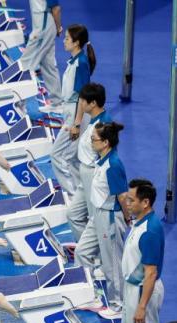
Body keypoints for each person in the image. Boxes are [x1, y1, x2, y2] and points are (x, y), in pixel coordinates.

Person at [118, 180, 165, 323]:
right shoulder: (140, 222)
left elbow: (151, 272)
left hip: (142, 291)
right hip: (132, 288)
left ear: (145, 202)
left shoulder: (150, 231)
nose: (126, 202)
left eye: (131, 199)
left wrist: (142, 306)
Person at [74, 121, 128, 320]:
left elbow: (122, 196)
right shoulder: (102, 160)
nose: (90, 142)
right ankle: (90, 296)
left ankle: (118, 305)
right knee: (81, 252)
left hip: (109, 217)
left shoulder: (113, 165)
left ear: (105, 143)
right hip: (97, 214)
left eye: (93, 139)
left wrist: (127, 218)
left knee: (111, 263)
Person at [49, 24, 96, 199]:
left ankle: (73, 193)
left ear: (76, 43)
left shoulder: (80, 63)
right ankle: (80, 193)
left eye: (67, 38)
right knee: (72, 157)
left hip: (77, 114)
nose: (64, 41)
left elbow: (83, 97)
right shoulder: (75, 61)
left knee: (57, 154)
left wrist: (76, 124)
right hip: (72, 112)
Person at [66, 82, 110, 242]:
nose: (81, 103)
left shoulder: (102, 126)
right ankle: (85, 250)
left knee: (94, 219)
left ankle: (95, 253)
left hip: (93, 175)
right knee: (73, 215)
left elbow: (108, 155)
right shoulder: (94, 120)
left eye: (83, 101)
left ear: (93, 103)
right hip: (85, 174)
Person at [22, 0, 63, 106]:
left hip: (43, 29)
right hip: (42, 25)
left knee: (25, 65)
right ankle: (57, 103)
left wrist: (58, 27)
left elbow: (56, 9)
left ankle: (18, 104)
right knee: (48, 65)